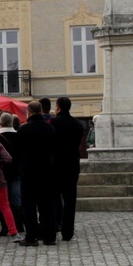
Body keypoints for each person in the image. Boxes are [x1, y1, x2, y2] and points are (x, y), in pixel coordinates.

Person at [17, 101, 57, 246]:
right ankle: (49, 236)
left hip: (29, 171)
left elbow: (18, 152)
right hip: (46, 170)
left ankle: (31, 236)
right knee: (47, 204)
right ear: (41, 111)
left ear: (29, 112)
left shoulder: (23, 130)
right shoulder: (50, 129)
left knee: (29, 205)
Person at [52, 96, 84, 241]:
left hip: (56, 165)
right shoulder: (77, 124)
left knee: (53, 198)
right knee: (70, 200)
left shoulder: (53, 123)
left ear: (58, 107)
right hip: (72, 164)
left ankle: (53, 227)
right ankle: (68, 231)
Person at [0, 112, 24, 235]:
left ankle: (5, 227)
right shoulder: (19, 136)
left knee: (3, 201)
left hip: (2, 172)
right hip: (17, 171)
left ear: (0, 123)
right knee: (17, 199)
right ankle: (18, 224)